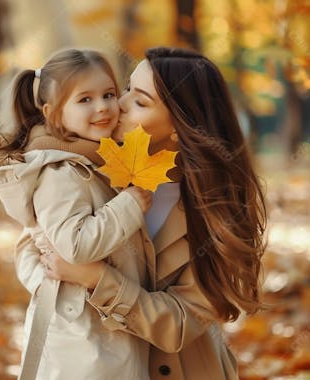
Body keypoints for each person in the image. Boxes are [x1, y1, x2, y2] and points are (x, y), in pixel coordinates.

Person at [30, 47, 267, 380]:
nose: (117, 104)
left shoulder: (215, 211)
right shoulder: (91, 171)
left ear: (178, 127)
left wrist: (95, 279)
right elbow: (39, 242)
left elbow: (180, 323)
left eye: (140, 101)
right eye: (125, 89)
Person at [0, 48, 154, 380]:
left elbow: (36, 243)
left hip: (101, 324)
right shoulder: (61, 172)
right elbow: (73, 247)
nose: (103, 106)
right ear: (53, 113)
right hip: (83, 336)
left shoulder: (93, 160)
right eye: (84, 99)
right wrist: (130, 205)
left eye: (108, 94)